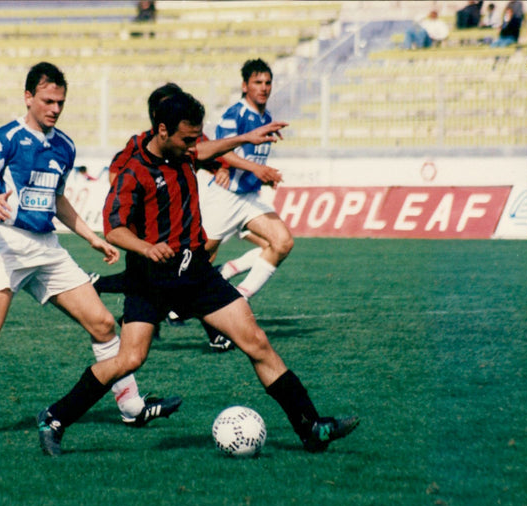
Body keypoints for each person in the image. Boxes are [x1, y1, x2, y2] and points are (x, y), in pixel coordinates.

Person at [37, 89, 359, 456]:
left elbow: (203, 151)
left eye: (196, 136)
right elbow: (114, 229)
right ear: (162, 131)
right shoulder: (133, 172)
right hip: (151, 281)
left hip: (198, 275)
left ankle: (311, 428)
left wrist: (244, 139)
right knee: (129, 359)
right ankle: (55, 417)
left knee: (256, 341)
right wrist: (146, 247)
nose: (194, 144)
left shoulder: (183, 153)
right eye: (187, 137)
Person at [0, 62, 180, 439]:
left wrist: (90, 237)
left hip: (47, 248)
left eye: (60, 102)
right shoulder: (5, 138)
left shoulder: (64, 145)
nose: (55, 108)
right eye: (48, 100)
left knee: (102, 323)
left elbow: (57, 199)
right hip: (5, 246)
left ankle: (131, 407)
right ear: (28, 97)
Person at [92, 82, 234, 352]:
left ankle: (104, 287)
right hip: (148, 233)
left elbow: (204, 154)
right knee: (173, 276)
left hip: (176, 233)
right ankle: (211, 331)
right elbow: (117, 176)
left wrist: (220, 169)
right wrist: (138, 204)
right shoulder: (138, 144)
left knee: (190, 269)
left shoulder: (183, 144)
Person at [200, 59, 293, 303]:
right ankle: (171, 307)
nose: (263, 87)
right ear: (245, 86)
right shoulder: (234, 115)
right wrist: (257, 169)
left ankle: (238, 299)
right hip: (225, 196)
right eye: (257, 82)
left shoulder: (267, 118)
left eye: (267, 82)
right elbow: (222, 152)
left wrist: (263, 177)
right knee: (199, 259)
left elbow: (249, 157)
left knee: (282, 243)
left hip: (249, 198)